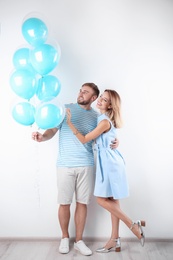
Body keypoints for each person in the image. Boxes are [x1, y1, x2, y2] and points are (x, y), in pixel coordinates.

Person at [32, 83, 119, 256]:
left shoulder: (96, 116)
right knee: (64, 202)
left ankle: (79, 240)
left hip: (86, 164)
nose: (80, 93)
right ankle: (64, 237)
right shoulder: (64, 110)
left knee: (82, 203)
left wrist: (116, 141)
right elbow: (52, 130)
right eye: (80, 90)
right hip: (64, 164)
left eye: (85, 92)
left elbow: (103, 135)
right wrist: (42, 137)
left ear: (93, 98)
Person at [66, 89, 146, 253]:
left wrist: (69, 123)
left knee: (102, 200)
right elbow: (107, 136)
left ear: (111, 105)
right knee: (112, 200)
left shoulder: (103, 122)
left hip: (110, 163)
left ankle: (133, 225)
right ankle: (114, 240)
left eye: (105, 99)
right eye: (101, 97)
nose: (101, 100)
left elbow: (84, 139)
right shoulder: (102, 118)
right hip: (109, 160)